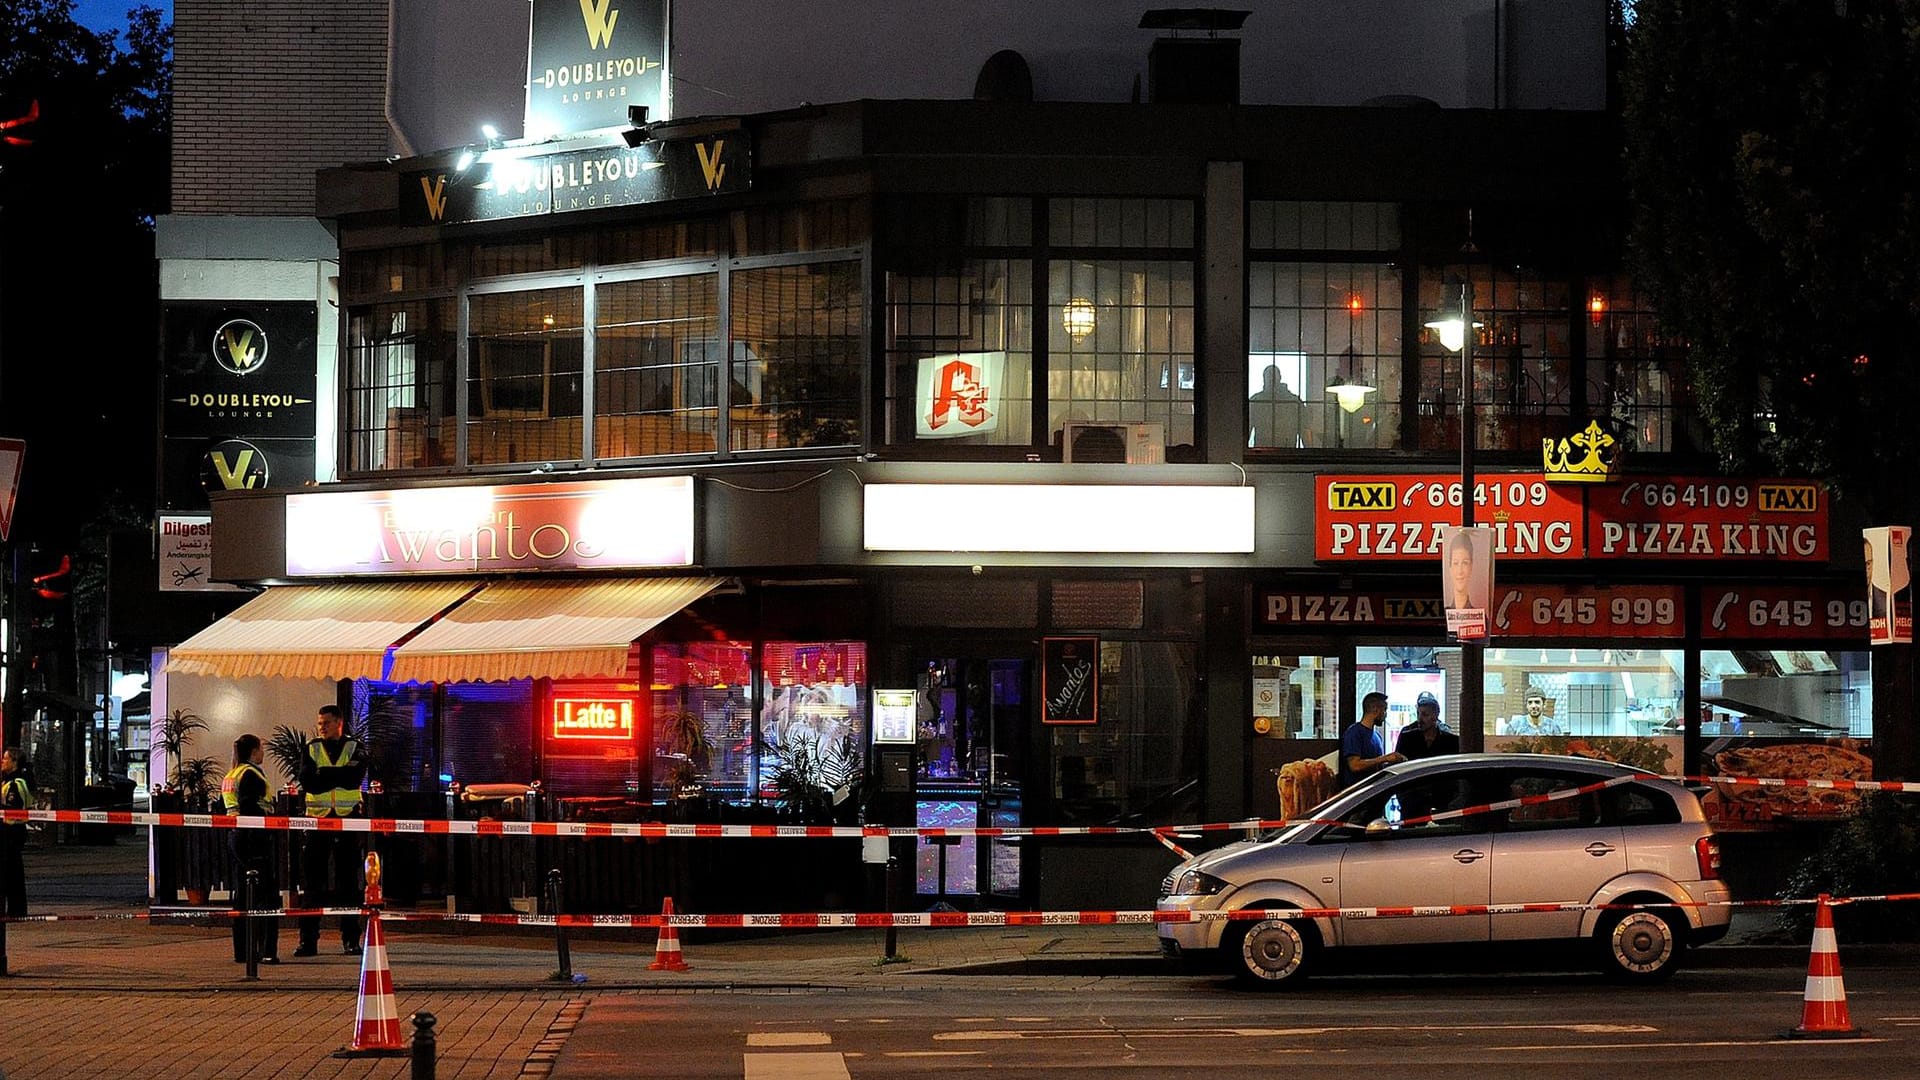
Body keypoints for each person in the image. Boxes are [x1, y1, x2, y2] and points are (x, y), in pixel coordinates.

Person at [295, 704, 367, 957]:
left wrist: (323, 773)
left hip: (348, 822)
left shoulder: (355, 747)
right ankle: (307, 941)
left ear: (339, 723)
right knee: (312, 883)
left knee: (348, 883)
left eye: (326, 722)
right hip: (317, 822)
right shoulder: (311, 748)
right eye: (319, 723)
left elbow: (354, 779)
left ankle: (351, 939)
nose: (321, 727)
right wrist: (336, 775)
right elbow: (308, 782)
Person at [222, 734, 281, 964]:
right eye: (261, 748)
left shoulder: (232, 774)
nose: (263, 753)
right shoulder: (251, 774)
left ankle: (243, 952)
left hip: (236, 837)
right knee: (266, 895)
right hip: (253, 838)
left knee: (242, 895)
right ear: (254, 751)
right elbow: (250, 806)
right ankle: (266, 952)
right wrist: (266, 821)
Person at [1337, 691, 1404, 788]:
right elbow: (1354, 765)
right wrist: (1384, 758)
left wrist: (1391, 762)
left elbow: (1376, 765)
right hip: (1358, 794)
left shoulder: (1377, 736)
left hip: (1373, 792)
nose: (1385, 714)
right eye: (1384, 710)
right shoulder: (1354, 733)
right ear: (1375, 709)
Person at [1, 747, 31, 918]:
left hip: (11, 832)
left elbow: (13, 809)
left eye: (5, 759)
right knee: (13, 873)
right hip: (11, 832)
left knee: (12, 874)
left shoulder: (15, 783)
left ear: (14, 762)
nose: (2, 762)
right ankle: (15, 909)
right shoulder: (8, 781)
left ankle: (16, 910)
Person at [1249, 364, 1305, 449]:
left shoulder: (1256, 400)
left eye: (1272, 377)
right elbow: (1304, 429)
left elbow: (1304, 429)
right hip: (1286, 452)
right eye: (1269, 377)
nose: (1270, 379)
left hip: (1262, 453)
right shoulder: (1294, 401)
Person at [1394, 691, 1461, 760]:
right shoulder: (1406, 738)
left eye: (1425, 715)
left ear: (1435, 716)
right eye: (1418, 714)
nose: (1419, 719)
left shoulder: (1451, 742)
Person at [1502, 688, 1566, 737]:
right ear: (1526, 705)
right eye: (1530, 702)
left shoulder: (1553, 726)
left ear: (1544, 704)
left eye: (1537, 702)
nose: (1533, 706)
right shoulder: (1514, 726)